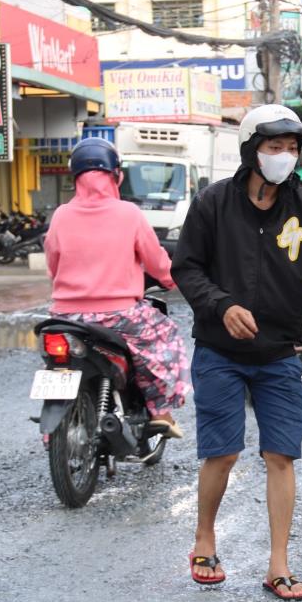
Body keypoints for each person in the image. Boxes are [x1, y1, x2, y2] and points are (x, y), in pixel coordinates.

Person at [171, 104, 302, 600]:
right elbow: (186, 269)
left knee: (282, 455)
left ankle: (279, 564)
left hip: (280, 353)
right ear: (251, 150)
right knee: (223, 451)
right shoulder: (213, 203)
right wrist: (221, 305)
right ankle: (204, 538)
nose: (284, 156)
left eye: (292, 148)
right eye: (274, 147)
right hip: (219, 350)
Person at [43, 137, 189, 439]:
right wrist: (174, 280)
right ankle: (161, 412)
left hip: (65, 317)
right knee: (164, 339)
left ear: (76, 178)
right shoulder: (129, 213)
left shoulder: (60, 215)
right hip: (119, 315)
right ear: (116, 176)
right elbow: (157, 262)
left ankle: (53, 427)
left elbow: (53, 265)